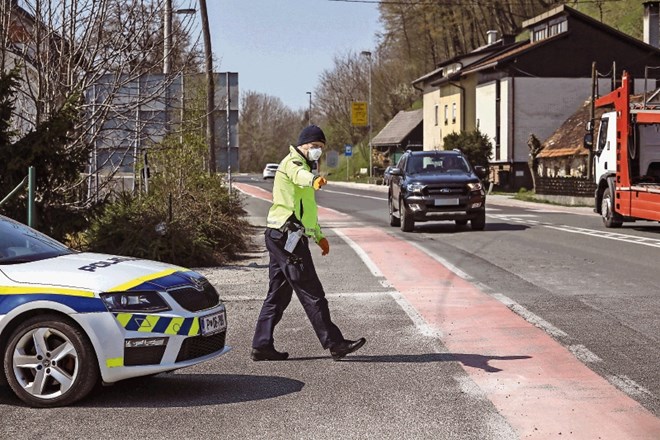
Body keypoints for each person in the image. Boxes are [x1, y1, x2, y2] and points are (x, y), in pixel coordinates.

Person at [251, 125, 367, 361]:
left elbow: (306, 211)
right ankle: (335, 344)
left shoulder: (304, 164)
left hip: (282, 235)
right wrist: (313, 179)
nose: (317, 151)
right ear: (302, 145)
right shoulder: (292, 164)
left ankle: (261, 345)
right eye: (314, 147)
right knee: (311, 291)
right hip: (285, 237)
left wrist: (318, 236)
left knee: (278, 294)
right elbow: (298, 177)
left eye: (321, 148)